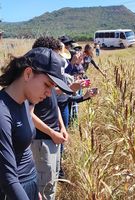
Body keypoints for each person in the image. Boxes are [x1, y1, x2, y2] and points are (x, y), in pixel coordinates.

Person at [0, 47, 70, 200]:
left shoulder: (25, 103)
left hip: (28, 185)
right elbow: (8, 179)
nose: (48, 93)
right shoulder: (2, 112)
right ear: (28, 73)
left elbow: (24, 150)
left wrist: (33, 188)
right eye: (47, 85)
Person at [30, 36, 73, 200]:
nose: (58, 60)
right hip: (42, 140)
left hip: (53, 137)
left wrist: (61, 127)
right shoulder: (34, 85)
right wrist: (51, 132)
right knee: (43, 188)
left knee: (51, 183)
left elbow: (54, 105)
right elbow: (29, 113)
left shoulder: (49, 81)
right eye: (55, 56)